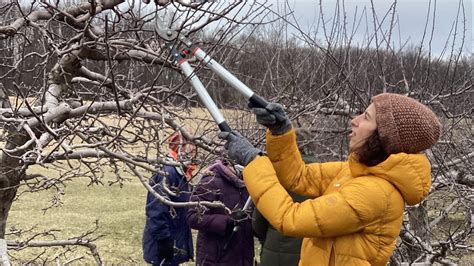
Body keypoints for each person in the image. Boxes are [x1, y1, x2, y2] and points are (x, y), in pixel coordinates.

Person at [219, 93, 441, 265]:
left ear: (384, 137)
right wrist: (281, 132)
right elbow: (299, 177)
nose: (354, 121)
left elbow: (290, 218)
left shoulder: (375, 194)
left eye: (366, 117)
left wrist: (252, 160)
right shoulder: (356, 172)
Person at [252, 128, 317, 266]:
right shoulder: (325, 174)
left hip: (275, 252)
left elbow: (258, 222)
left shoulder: (276, 174)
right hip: (311, 253)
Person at [187, 159, 254, 266]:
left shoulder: (247, 183)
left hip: (243, 257)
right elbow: (193, 217)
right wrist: (227, 221)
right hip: (216, 257)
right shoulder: (210, 181)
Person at [143, 132, 196, 266]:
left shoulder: (182, 173)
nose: (195, 150)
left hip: (174, 239)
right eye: (191, 145)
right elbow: (155, 211)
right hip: (163, 244)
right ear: (179, 147)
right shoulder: (168, 173)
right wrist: (164, 241)